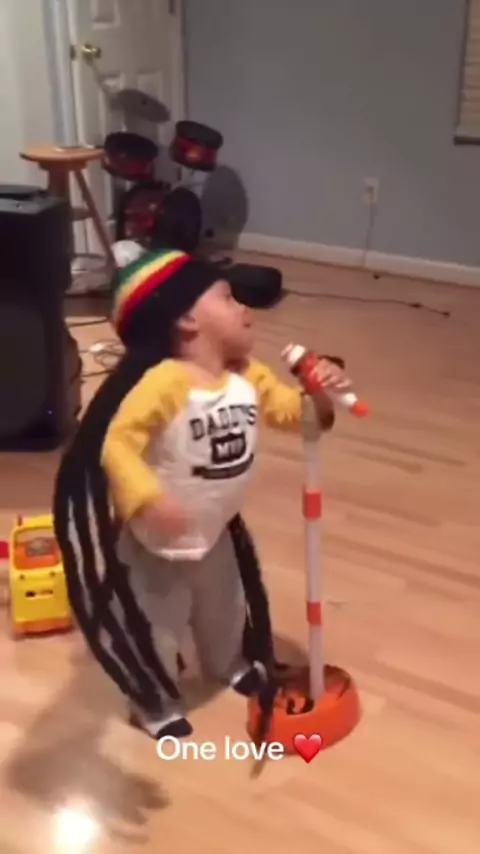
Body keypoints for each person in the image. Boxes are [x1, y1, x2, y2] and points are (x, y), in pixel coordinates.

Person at [53, 249, 349, 741]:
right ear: (187, 320)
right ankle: (152, 699)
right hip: (155, 546)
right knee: (156, 625)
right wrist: (148, 498)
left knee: (224, 606)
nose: (244, 308)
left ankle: (228, 662)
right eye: (228, 298)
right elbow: (117, 445)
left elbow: (300, 419)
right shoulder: (164, 384)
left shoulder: (246, 376)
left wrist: (319, 392)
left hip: (214, 532)